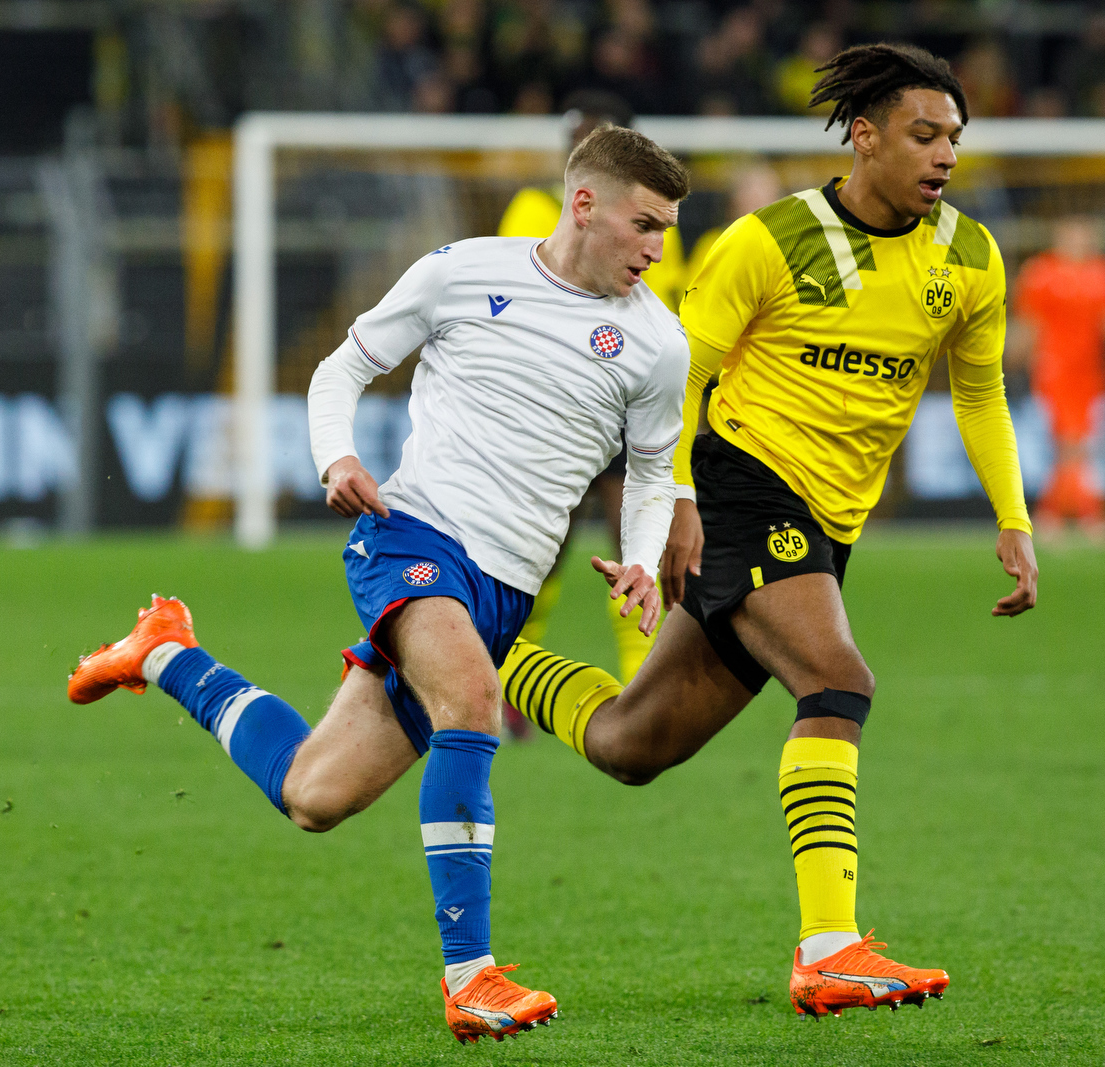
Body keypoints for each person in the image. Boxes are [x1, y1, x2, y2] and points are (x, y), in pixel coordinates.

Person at [66, 125, 691, 1045]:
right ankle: (472, 977)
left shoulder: (657, 345)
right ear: (585, 204)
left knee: (314, 795)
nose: (656, 249)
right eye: (645, 225)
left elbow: (649, 471)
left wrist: (639, 556)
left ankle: (165, 652)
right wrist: (337, 456)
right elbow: (343, 367)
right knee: (474, 701)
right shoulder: (460, 271)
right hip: (412, 538)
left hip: (504, 589)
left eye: (668, 232)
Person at [495, 43, 1038, 1018]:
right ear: (863, 137)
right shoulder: (769, 240)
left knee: (630, 743)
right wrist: (676, 501)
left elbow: (981, 386)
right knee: (836, 680)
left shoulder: (969, 256)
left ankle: (469, 646)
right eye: (924, 133)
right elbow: (678, 377)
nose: (944, 153)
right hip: (742, 487)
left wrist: (1012, 516)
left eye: (954, 136)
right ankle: (830, 946)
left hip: (826, 524)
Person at [498, 89, 687, 687]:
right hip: (550, 402)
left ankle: (639, 680)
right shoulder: (531, 208)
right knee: (541, 540)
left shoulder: (659, 225)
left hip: (626, 400)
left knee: (633, 534)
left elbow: (669, 310)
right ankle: (510, 666)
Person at [1011, 215, 1105, 538]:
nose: (1079, 242)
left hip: (1092, 370)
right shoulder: (1041, 273)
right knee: (1071, 443)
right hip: (1054, 368)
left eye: (1084, 236)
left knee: (1077, 444)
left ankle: (1050, 516)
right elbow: (1030, 323)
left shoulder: (1104, 273)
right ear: (1059, 239)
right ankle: (1090, 516)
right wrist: (1015, 355)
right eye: (1072, 236)